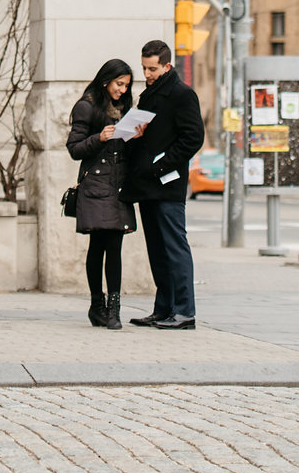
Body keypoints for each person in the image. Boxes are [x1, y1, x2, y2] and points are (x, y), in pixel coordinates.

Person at [125, 39, 203, 329]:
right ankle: (163, 309)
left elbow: (193, 138)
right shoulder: (148, 95)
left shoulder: (182, 94)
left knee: (174, 247)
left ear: (167, 65)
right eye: (144, 68)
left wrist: (161, 165)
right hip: (147, 184)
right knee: (157, 250)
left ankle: (185, 312)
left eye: (153, 68)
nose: (147, 74)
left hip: (167, 185)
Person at [66, 59, 138, 330]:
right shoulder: (86, 106)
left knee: (115, 247)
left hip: (118, 186)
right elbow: (74, 149)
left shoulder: (125, 109)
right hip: (96, 186)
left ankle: (114, 308)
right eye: (119, 84)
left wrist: (137, 137)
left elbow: (127, 153)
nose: (122, 89)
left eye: (126, 85)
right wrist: (100, 138)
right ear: (106, 80)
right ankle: (98, 305)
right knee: (98, 246)